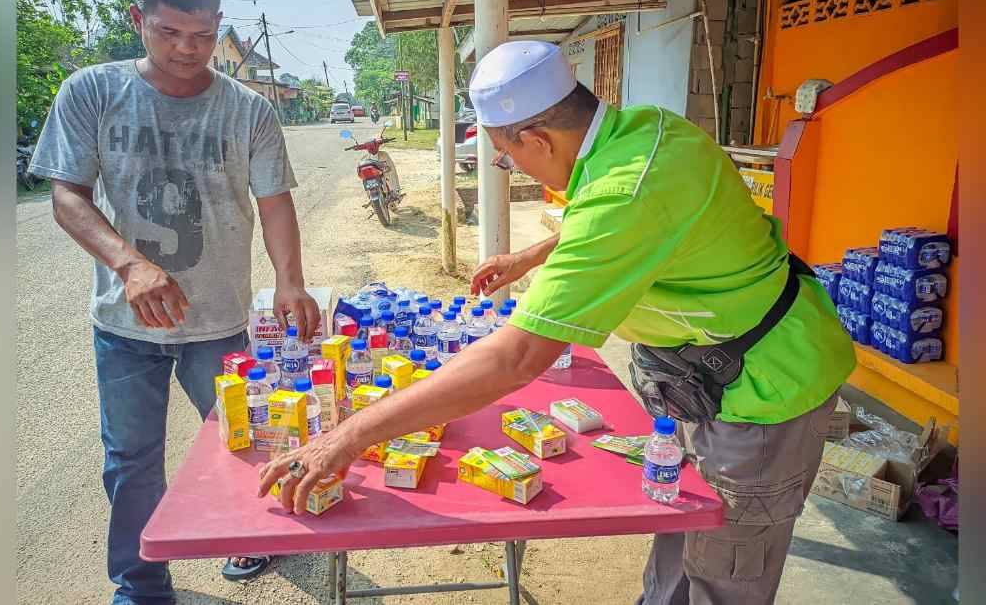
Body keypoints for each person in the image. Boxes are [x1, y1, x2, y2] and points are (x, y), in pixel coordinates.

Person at [257, 41, 855, 605]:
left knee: (725, 563)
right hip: (705, 374)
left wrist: (348, 435)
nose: (508, 167)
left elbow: (516, 356)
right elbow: (619, 217)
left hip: (765, 391)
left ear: (536, 138)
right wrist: (529, 257)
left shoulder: (627, 190)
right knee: (684, 526)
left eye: (504, 154)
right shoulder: (643, 131)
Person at [28, 0, 320, 603]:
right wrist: (129, 262)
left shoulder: (249, 111)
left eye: (204, 35)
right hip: (124, 328)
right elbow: (67, 197)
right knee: (130, 463)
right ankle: (141, 585)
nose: (189, 49)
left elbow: (275, 203)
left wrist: (292, 282)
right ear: (138, 20)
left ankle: (251, 535)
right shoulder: (93, 92)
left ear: (219, 24)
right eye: (169, 33)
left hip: (221, 322)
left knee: (245, 444)